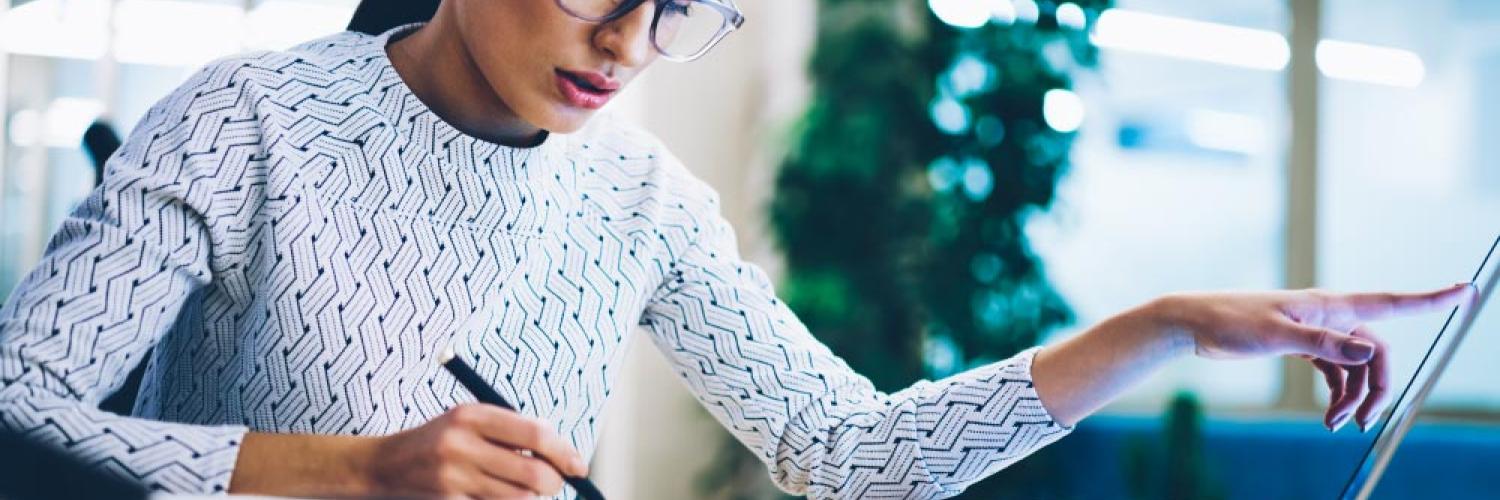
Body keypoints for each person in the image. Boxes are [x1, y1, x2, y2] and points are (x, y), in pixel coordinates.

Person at [0, 0, 1474, 498]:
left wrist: (1159, 326)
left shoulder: (639, 197)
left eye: (682, 6)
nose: (630, 47)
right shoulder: (248, 120)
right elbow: (22, 414)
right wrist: (345, 472)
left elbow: (848, 452)